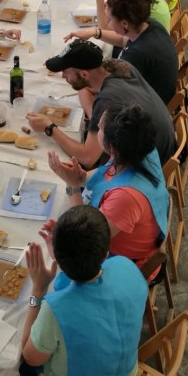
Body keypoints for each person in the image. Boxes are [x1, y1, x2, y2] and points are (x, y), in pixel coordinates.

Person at [18, 205, 147, 376]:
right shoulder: (126, 266)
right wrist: (65, 256)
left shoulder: (54, 311)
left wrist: (38, 290)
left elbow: (29, 357)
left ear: (58, 259)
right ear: (105, 253)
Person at [48, 104, 169, 270]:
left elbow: (84, 242)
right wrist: (80, 177)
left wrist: (72, 186)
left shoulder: (125, 198)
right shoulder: (138, 148)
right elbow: (105, 176)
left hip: (121, 265)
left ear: (111, 147)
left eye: (100, 128)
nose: (96, 128)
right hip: (118, 231)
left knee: (56, 254)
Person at [26, 41, 175, 169]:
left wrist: (49, 128)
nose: (63, 76)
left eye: (65, 71)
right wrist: (95, 119)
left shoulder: (107, 100)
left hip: (151, 163)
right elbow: (85, 88)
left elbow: (87, 158)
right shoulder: (118, 66)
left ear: (84, 74)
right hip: (164, 142)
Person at [102, 0, 178, 104]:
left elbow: (111, 90)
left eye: (109, 19)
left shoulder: (137, 55)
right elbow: (123, 40)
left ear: (124, 23)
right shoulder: (151, 25)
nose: (107, 23)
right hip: (156, 95)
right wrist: (96, 33)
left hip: (146, 107)